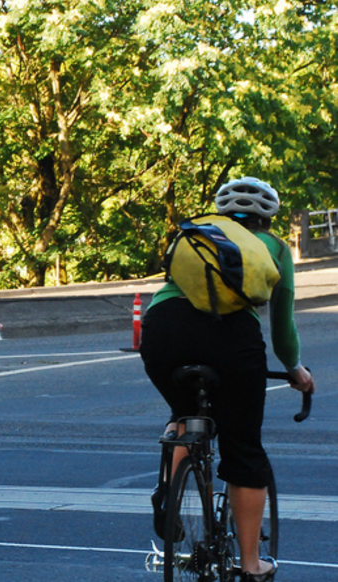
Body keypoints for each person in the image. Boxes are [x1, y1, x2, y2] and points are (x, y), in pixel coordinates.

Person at [140, 177, 314, 582]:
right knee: (243, 449)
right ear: (266, 217)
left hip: (163, 330)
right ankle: (252, 566)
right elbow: (282, 325)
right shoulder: (274, 247)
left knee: (184, 411)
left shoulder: (200, 230)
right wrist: (294, 368)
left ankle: (170, 486)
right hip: (231, 339)